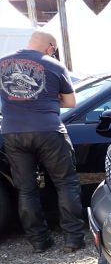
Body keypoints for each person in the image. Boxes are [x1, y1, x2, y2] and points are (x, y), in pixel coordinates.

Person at [0, 31, 85, 252]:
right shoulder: (54, 65)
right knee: (65, 183)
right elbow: (71, 102)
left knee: (25, 189)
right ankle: (73, 239)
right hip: (48, 130)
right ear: (50, 47)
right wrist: (50, 99)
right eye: (53, 50)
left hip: (13, 132)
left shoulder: (2, 62)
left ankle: (39, 241)